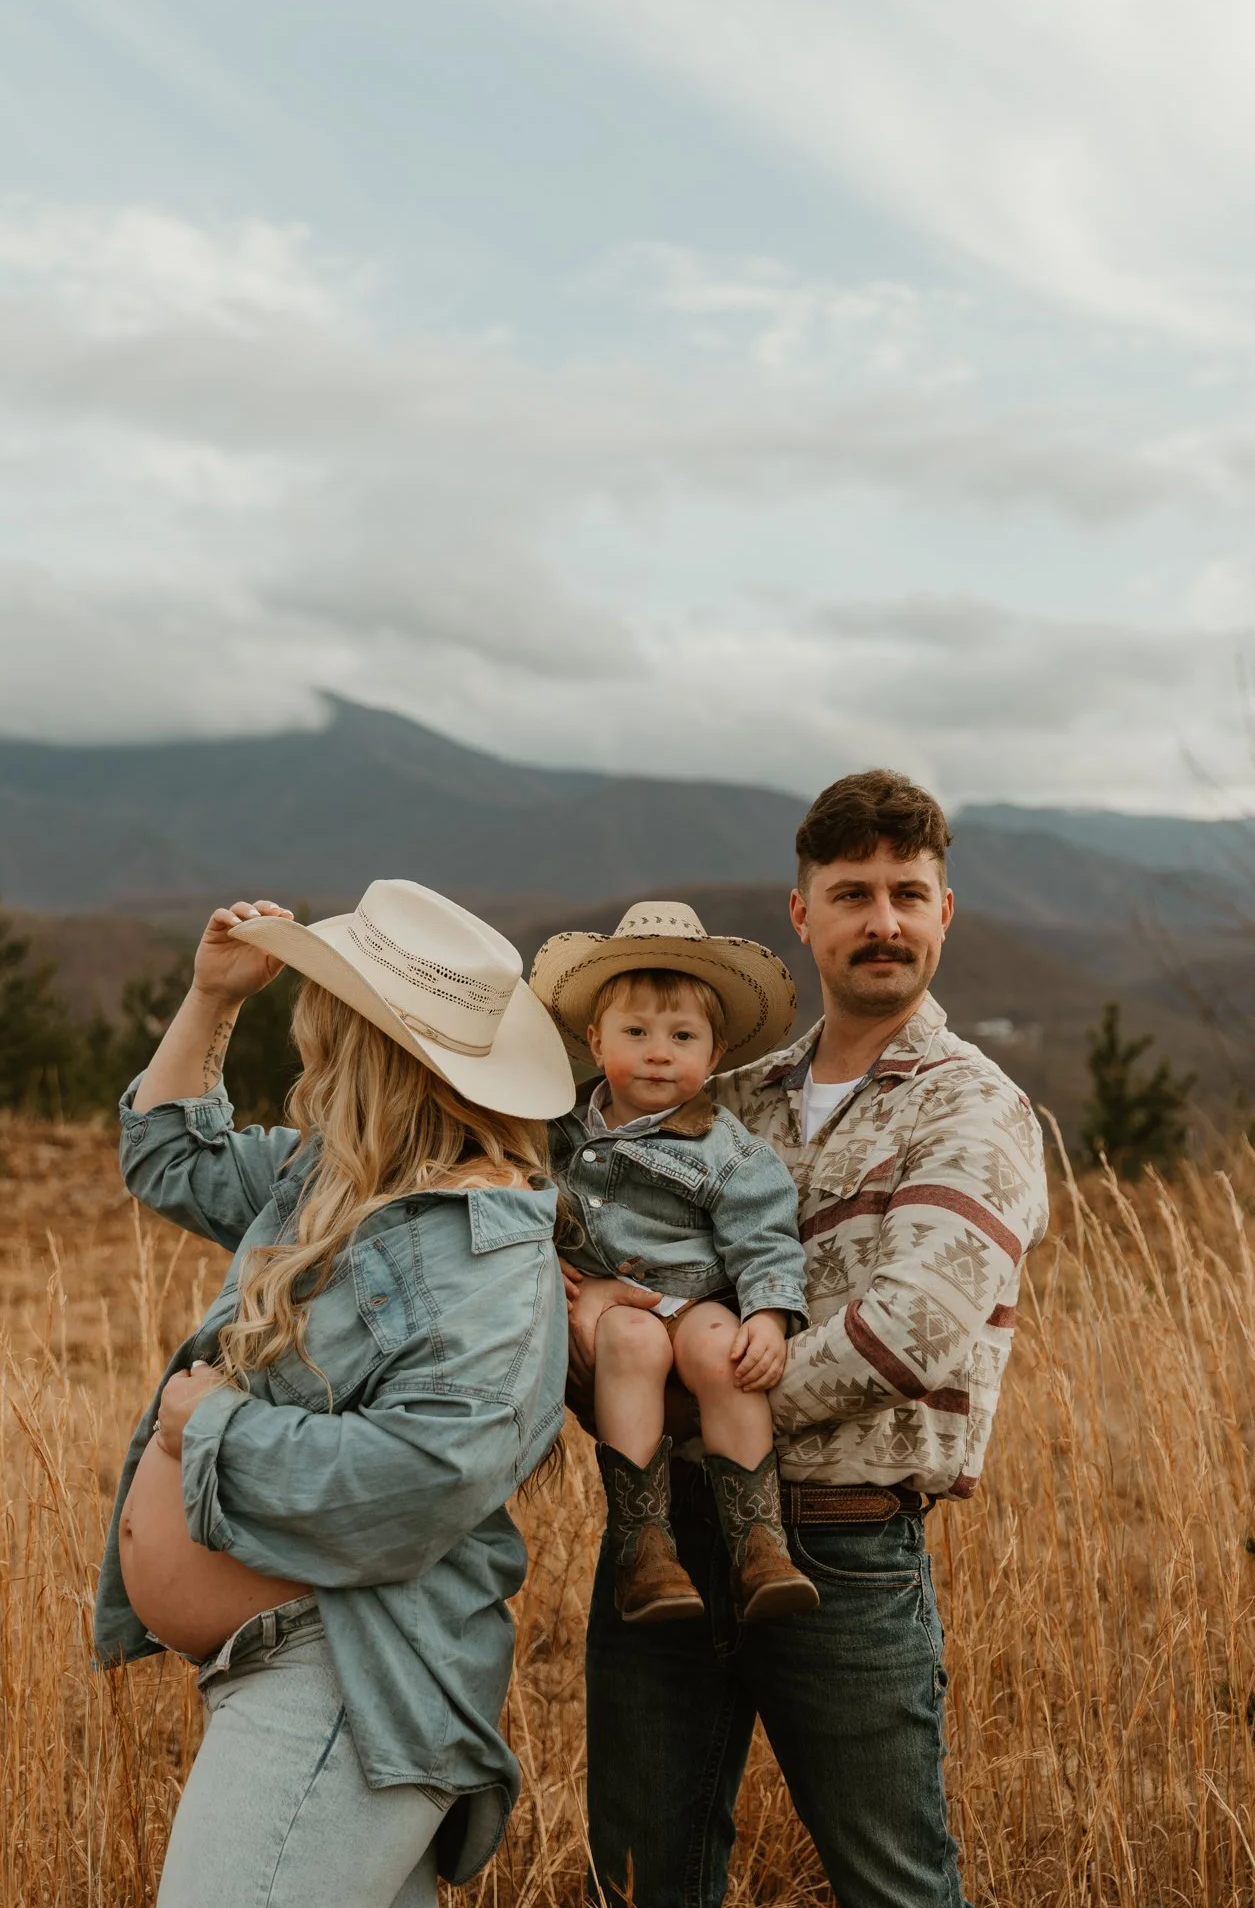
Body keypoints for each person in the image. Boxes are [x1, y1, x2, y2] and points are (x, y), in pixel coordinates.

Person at [565, 773, 1051, 1908]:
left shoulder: (972, 1108)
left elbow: (909, 1334)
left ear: (944, 912)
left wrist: (680, 1383)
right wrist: (582, 1310)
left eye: (905, 892)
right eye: (852, 892)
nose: (881, 918)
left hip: (840, 1547)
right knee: (641, 1882)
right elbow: (588, 1235)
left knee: (894, 1887)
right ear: (803, 914)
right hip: (662, 1542)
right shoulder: (717, 1098)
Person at [93, 879, 575, 1908]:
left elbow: (421, 1478)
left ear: (359, 1045)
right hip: (296, 1675)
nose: (305, 1036)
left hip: (351, 1685)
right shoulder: (332, 1176)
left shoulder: (485, 1251)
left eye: (321, 1015)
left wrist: (206, 1423)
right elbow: (167, 1151)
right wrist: (213, 997)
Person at [531, 901, 816, 1626]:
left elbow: (763, 1237)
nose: (659, 1051)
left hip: (696, 1299)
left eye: (681, 1036)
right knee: (629, 1343)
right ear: (596, 1042)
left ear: (713, 1056)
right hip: (620, 1314)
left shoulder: (727, 1150)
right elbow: (513, 1188)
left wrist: (771, 1315)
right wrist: (542, 1258)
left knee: (723, 1354)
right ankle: (644, 1547)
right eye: (636, 1033)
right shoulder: (553, 1128)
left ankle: (759, 1544)